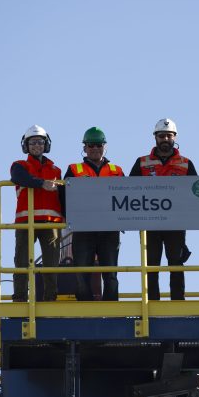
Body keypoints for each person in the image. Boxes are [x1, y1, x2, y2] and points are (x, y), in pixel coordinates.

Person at [129, 118, 197, 300]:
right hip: (149, 222)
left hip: (176, 222)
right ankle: (152, 301)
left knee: (176, 263)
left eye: (169, 135)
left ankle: (177, 301)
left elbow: (196, 193)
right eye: (161, 136)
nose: (165, 139)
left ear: (174, 137)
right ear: (155, 138)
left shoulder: (186, 163)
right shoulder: (142, 162)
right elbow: (127, 190)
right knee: (151, 264)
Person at [64, 127, 124, 301]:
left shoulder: (117, 170)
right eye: (91, 145)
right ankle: (86, 307)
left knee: (111, 274)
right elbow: (63, 196)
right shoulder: (74, 170)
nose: (95, 148)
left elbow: (127, 196)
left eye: (98, 145)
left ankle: (111, 308)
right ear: (84, 148)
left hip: (109, 229)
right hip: (84, 229)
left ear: (105, 146)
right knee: (81, 273)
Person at [11, 124, 63, 302]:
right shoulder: (19, 166)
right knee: (22, 261)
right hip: (27, 221)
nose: (36, 146)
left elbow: (63, 196)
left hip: (51, 222)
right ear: (26, 146)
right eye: (32, 142)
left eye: (40, 142)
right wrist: (42, 183)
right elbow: (19, 178)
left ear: (46, 144)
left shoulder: (56, 170)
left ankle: (50, 299)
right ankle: (19, 298)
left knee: (51, 263)